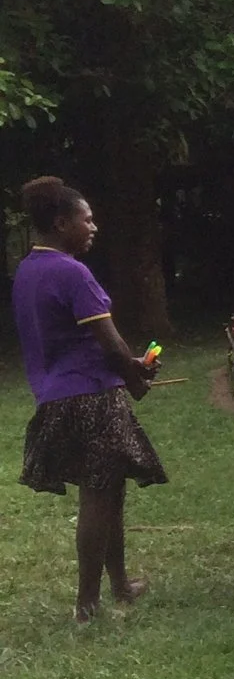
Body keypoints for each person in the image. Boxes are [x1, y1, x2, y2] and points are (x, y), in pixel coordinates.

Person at [12, 177, 163, 621]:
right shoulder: (72, 271)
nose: (94, 227)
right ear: (62, 223)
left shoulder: (27, 271)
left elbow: (66, 338)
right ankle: (88, 603)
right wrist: (134, 376)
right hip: (92, 394)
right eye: (87, 219)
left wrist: (125, 367)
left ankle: (118, 585)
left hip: (55, 395)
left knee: (109, 488)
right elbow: (112, 346)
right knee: (99, 495)